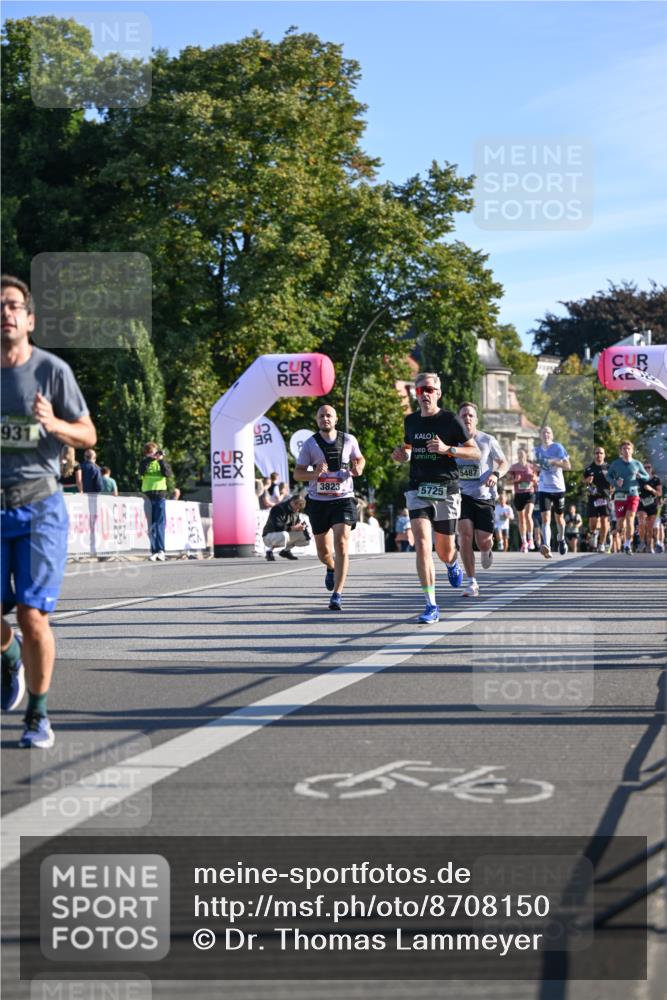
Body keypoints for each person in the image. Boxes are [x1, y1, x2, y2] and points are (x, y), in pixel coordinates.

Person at [1, 274, 97, 748]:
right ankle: (10, 656)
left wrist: (53, 423)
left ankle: (38, 716)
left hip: (39, 506)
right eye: (0, 306)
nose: (6, 313)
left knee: (31, 613)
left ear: (29, 318)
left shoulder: (51, 370)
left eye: (13, 306)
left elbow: (88, 434)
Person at [392, 373, 480, 624]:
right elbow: (409, 450)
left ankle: (452, 563)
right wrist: (402, 455)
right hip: (418, 489)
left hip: (446, 489)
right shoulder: (410, 421)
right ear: (416, 394)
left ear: (438, 393)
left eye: (430, 389)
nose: (425, 394)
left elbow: (475, 452)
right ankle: (431, 604)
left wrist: (447, 450)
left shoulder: (451, 420)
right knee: (421, 544)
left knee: (444, 550)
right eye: (421, 390)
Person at [294, 404, 365, 610]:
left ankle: (337, 593)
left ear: (336, 419)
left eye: (329, 415)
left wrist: (358, 467)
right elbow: (298, 473)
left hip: (344, 498)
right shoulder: (310, 444)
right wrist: (313, 474)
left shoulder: (349, 440)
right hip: (318, 502)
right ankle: (331, 567)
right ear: (317, 420)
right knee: (323, 552)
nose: (325, 418)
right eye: (321, 416)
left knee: (341, 543)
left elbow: (359, 459)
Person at [456, 402, 508, 597]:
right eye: (463, 416)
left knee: (483, 541)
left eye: (470, 415)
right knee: (465, 535)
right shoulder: (453, 442)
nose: (467, 418)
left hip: (485, 496)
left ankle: (487, 550)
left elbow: (504, 462)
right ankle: (471, 582)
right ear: (458, 420)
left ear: (476, 419)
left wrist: (495, 474)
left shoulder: (487, 440)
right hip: (462, 496)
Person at [605, 441, 650, 555]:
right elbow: (608, 476)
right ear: (620, 451)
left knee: (630, 518)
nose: (626, 450)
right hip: (620, 497)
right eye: (624, 449)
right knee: (620, 523)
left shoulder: (637, 463)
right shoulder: (615, 464)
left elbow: (647, 476)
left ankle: (627, 544)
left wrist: (641, 476)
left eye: (628, 448)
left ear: (632, 450)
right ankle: (614, 532)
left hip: (633, 495)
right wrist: (615, 483)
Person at [534, 426, 571, 559]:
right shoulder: (536, 450)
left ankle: (561, 539)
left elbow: (568, 466)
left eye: (548, 432)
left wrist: (554, 461)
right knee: (545, 518)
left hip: (558, 488)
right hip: (544, 488)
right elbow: (534, 467)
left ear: (552, 435)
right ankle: (547, 546)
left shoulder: (558, 448)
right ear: (540, 435)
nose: (546, 435)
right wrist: (537, 467)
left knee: (559, 518)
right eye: (543, 432)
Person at [140, 441, 173, 562]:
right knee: (151, 525)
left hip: (159, 496)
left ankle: (161, 550)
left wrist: (161, 460)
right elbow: (141, 471)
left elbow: (168, 474)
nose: (151, 454)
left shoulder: (161, 462)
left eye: (152, 452)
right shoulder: (144, 462)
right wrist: (150, 459)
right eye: (148, 453)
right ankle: (153, 551)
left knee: (159, 524)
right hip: (147, 496)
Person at [506, 447, 538, 551]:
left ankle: (531, 539)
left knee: (528, 515)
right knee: (521, 519)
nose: (520, 455)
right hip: (519, 495)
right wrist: (515, 480)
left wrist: (534, 479)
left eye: (522, 454)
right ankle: (524, 542)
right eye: (518, 454)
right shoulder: (513, 467)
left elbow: (537, 479)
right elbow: (508, 481)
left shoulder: (531, 466)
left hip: (529, 493)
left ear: (526, 455)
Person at [262, 493, 310, 561]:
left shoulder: (295, 510)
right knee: (284, 535)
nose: (297, 511)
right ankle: (269, 551)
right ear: (292, 503)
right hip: (268, 536)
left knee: (305, 539)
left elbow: (296, 525)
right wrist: (294, 528)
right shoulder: (278, 508)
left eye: (299, 509)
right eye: (297, 508)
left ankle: (285, 551)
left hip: (284, 534)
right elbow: (278, 527)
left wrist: (302, 527)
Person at [583, 447, 612, 553]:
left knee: (604, 521)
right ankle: (594, 532)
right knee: (593, 523)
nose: (599, 455)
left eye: (601, 453)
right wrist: (587, 480)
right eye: (597, 453)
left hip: (605, 497)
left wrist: (613, 488)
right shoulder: (589, 468)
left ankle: (601, 544)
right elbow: (584, 482)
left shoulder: (609, 467)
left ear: (604, 455)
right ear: (594, 455)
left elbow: (614, 480)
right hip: (593, 497)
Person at [637, 462, 662, 553]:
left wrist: (651, 489)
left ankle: (649, 545)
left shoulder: (656, 479)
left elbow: (659, 493)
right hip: (641, 504)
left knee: (650, 527)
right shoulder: (638, 479)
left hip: (652, 505)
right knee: (642, 521)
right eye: (645, 467)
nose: (647, 468)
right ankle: (642, 542)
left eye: (649, 467)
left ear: (651, 468)